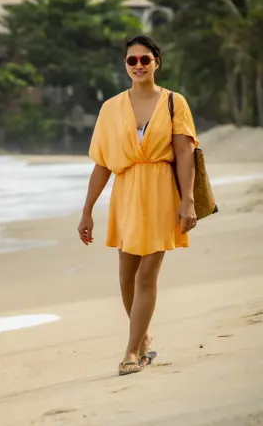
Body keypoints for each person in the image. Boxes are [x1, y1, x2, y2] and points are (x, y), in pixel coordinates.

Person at [77, 35, 199, 376]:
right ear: (125, 65)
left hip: (161, 190)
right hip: (126, 191)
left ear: (156, 62)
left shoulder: (175, 102)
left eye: (145, 59)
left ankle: (131, 351)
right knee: (126, 274)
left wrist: (187, 200)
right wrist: (87, 210)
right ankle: (143, 338)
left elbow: (186, 153)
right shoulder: (111, 108)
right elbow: (102, 163)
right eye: (132, 61)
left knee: (147, 273)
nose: (139, 66)